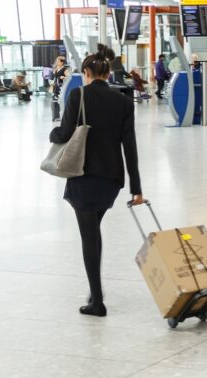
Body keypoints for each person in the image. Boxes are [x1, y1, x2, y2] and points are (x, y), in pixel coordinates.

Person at [49, 44, 142, 318]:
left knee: (89, 236)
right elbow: (130, 146)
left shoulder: (78, 95)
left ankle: (97, 301)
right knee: (93, 230)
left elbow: (65, 133)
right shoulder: (123, 101)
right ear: (108, 73)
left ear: (87, 73)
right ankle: (94, 293)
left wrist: (53, 134)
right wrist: (136, 188)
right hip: (112, 178)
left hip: (84, 175)